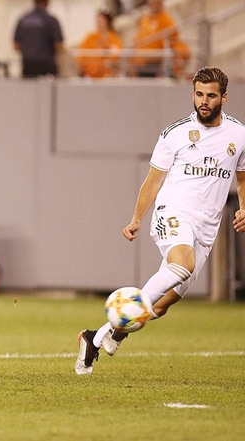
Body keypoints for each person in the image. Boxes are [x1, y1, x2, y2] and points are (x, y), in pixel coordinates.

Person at [75, 67, 245, 375]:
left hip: (208, 227)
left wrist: (243, 206)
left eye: (210, 96)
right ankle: (115, 323)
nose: (203, 102)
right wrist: (136, 217)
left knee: (163, 304)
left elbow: (242, 178)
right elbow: (153, 181)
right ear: (192, 94)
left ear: (224, 97)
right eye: (198, 95)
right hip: (174, 211)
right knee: (183, 265)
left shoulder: (238, 135)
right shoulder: (175, 134)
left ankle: (96, 337)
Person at [131, 0, 190, 78]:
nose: (153, 3)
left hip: (156, 64)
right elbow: (138, 40)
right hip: (141, 64)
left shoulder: (167, 21)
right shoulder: (145, 19)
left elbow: (172, 45)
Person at [13, 0, 64, 78]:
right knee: (49, 89)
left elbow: (16, 46)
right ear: (47, 2)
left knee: (29, 89)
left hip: (28, 66)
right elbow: (58, 46)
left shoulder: (23, 19)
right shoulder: (51, 20)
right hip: (47, 66)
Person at [75, 8, 122, 78]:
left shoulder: (115, 39)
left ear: (108, 21)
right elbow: (81, 57)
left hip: (108, 77)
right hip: (91, 77)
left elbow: (116, 57)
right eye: (98, 19)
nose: (99, 22)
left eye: (102, 19)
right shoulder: (90, 37)